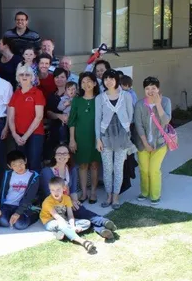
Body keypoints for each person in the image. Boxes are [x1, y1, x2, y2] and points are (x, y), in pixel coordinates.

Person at [40, 145, 117, 240]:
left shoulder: (71, 169)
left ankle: (103, 226)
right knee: (75, 217)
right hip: (54, 205)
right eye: (59, 153)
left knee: (80, 210)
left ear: (69, 156)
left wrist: (75, 201)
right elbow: (49, 193)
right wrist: (68, 202)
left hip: (68, 201)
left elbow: (73, 189)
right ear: (54, 156)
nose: (62, 155)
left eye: (65, 153)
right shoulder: (47, 171)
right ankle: (101, 225)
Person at [94, 69, 136, 209]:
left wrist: (125, 129)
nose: (109, 81)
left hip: (122, 136)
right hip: (105, 136)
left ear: (116, 80)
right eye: (106, 79)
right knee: (107, 168)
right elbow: (97, 119)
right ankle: (108, 196)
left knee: (118, 168)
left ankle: (116, 196)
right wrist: (98, 139)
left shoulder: (126, 96)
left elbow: (130, 115)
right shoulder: (100, 98)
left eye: (111, 78)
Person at [133, 76, 172, 205]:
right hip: (143, 143)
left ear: (158, 89)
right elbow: (138, 125)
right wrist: (145, 143)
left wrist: (158, 104)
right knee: (144, 169)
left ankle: (155, 195)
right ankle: (144, 192)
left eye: (153, 88)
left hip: (160, 142)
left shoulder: (166, 101)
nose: (150, 91)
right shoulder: (139, 104)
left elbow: (166, 121)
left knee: (154, 169)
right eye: (147, 88)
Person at [40, 177, 98, 254]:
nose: (55, 192)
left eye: (58, 189)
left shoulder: (67, 198)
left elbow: (70, 215)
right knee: (61, 224)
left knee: (86, 222)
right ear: (49, 190)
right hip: (49, 221)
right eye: (52, 190)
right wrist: (71, 227)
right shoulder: (47, 202)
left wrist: (73, 226)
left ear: (64, 188)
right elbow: (57, 217)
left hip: (64, 220)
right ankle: (82, 241)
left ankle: (62, 232)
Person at [69, 71, 101, 204]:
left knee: (94, 165)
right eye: (83, 81)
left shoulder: (100, 99)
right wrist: (72, 139)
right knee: (82, 165)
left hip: (96, 137)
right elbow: (72, 121)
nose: (86, 84)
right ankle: (83, 192)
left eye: (89, 81)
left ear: (94, 83)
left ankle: (93, 191)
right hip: (80, 137)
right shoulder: (76, 101)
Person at [8, 63, 46, 172]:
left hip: (35, 134)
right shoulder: (16, 94)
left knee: (34, 163)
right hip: (18, 135)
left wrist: (25, 136)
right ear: (17, 77)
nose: (24, 77)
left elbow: (39, 117)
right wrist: (15, 134)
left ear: (32, 77)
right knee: (21, 164)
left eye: (27, 74)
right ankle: (23, 187)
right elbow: (11, 117)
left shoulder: (37, 93)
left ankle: (35, 188)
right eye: (21, 74)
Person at [0, 150, 40, 230]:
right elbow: (2, 191)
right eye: (14, 165)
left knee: (20, 225)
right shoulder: (8, 174)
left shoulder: (33, 176)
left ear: (25, 161)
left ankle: (34, 215)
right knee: (4, 222)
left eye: (20, 163)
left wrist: (18, 213)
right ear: (10, 166)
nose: (19, 167)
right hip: (7, 205)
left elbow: (29, 197)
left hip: (23, 206)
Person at [45, 68, 72, 152]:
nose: (59, 79)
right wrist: (59, 116)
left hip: (71, 129)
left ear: (67, 79)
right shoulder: (51, 96)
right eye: (57, 77)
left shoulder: (73, 95)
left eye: (62, 77)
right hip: (55, 130)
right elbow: (48, 113)